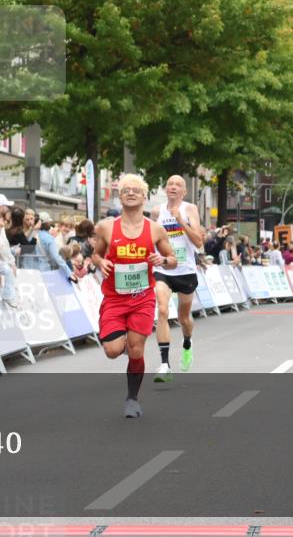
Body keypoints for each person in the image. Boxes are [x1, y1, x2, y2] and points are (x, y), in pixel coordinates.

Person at [90, 174, 177, 418]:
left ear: (144, 197)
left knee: (136, 350)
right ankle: (126, 345)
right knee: (112, 350)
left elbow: (173, 260)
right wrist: (101, 262)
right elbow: (95, 255)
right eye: (126, 190)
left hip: (142, 298)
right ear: (120, 196)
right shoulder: (106, 227)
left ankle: (132, 399)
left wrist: (162, 260)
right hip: (114, 298)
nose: (130, 193)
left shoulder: (155, 229)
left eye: (136, 190)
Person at [150, 174, 204, 381]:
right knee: (162, 310)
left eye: (178, 185)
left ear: (184, 191)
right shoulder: (157, 211)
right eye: (170, 184)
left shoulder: (190, 209)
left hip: (185, 271)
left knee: (184, 318)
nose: (173, 187)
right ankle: (165, 365)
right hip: (163, 268)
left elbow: (198, 242)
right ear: (166, 189)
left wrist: (180, 220)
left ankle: (187, 343)